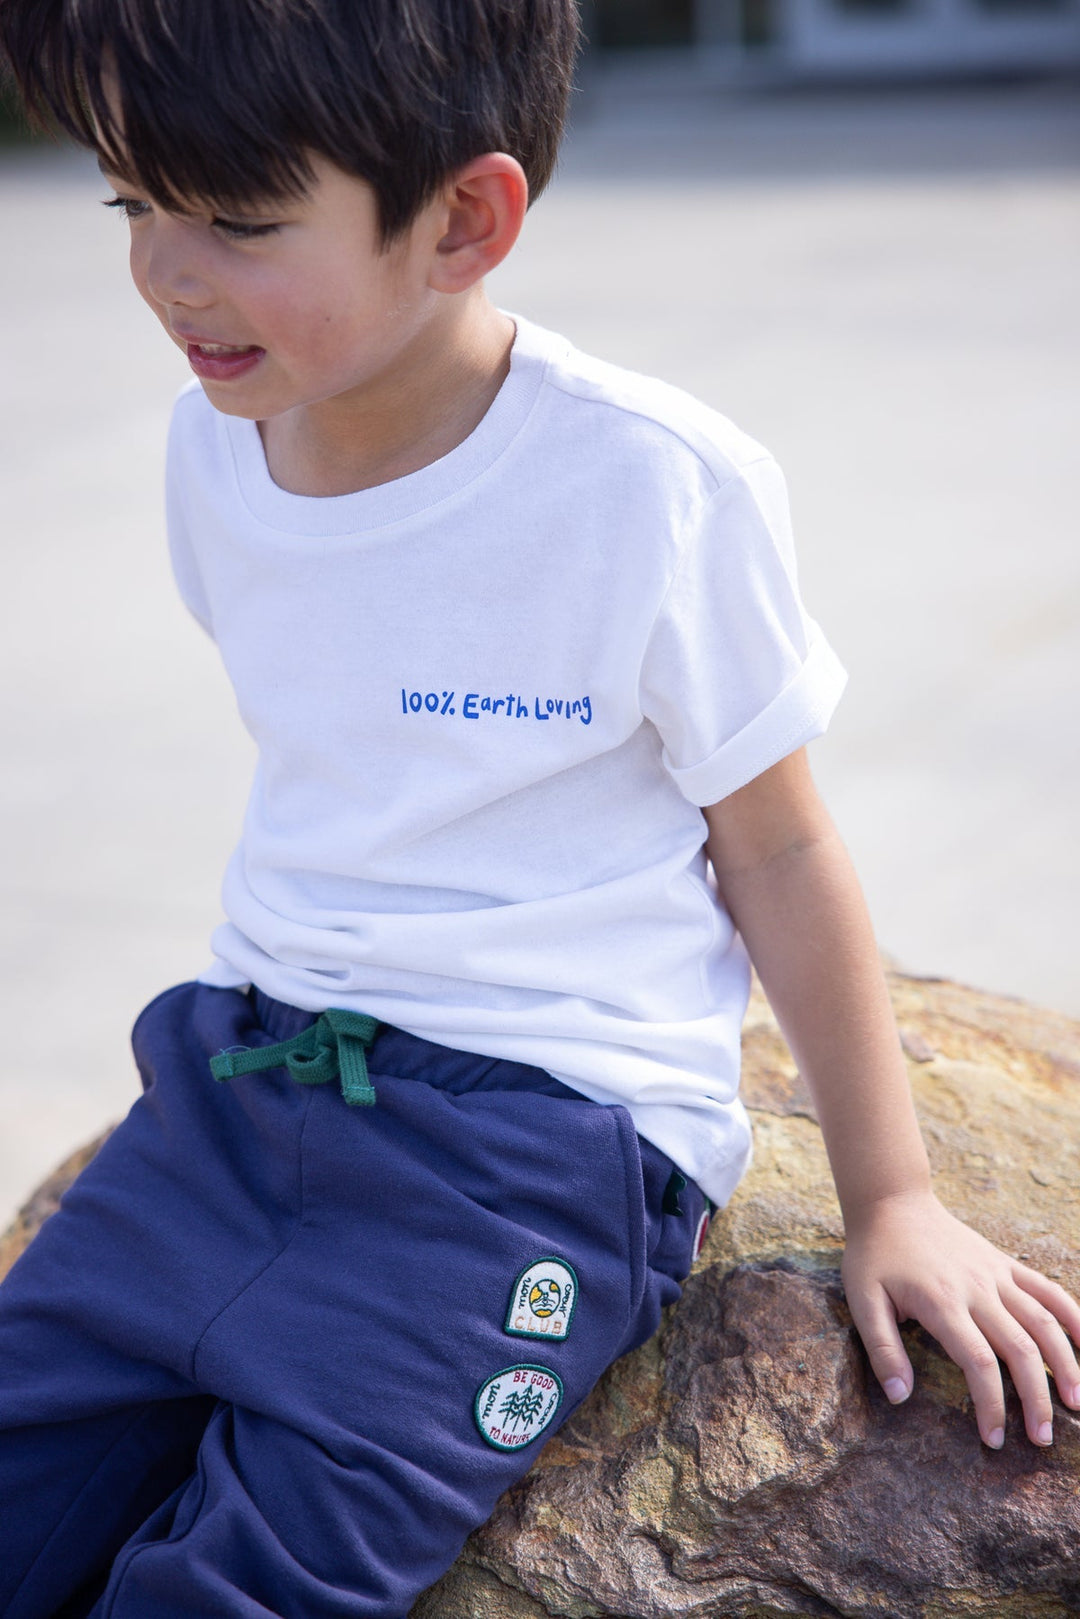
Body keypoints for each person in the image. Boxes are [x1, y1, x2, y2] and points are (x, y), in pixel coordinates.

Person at [0, 1, 1077, 1614]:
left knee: (252, 1579)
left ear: (464, 220)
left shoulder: (648, 485)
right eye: (130, 201)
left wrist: (894, 1199)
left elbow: (780, 843)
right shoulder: (212, 452)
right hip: (247, 1069)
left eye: (235, 221)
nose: (166, 271)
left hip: (537, 1145)